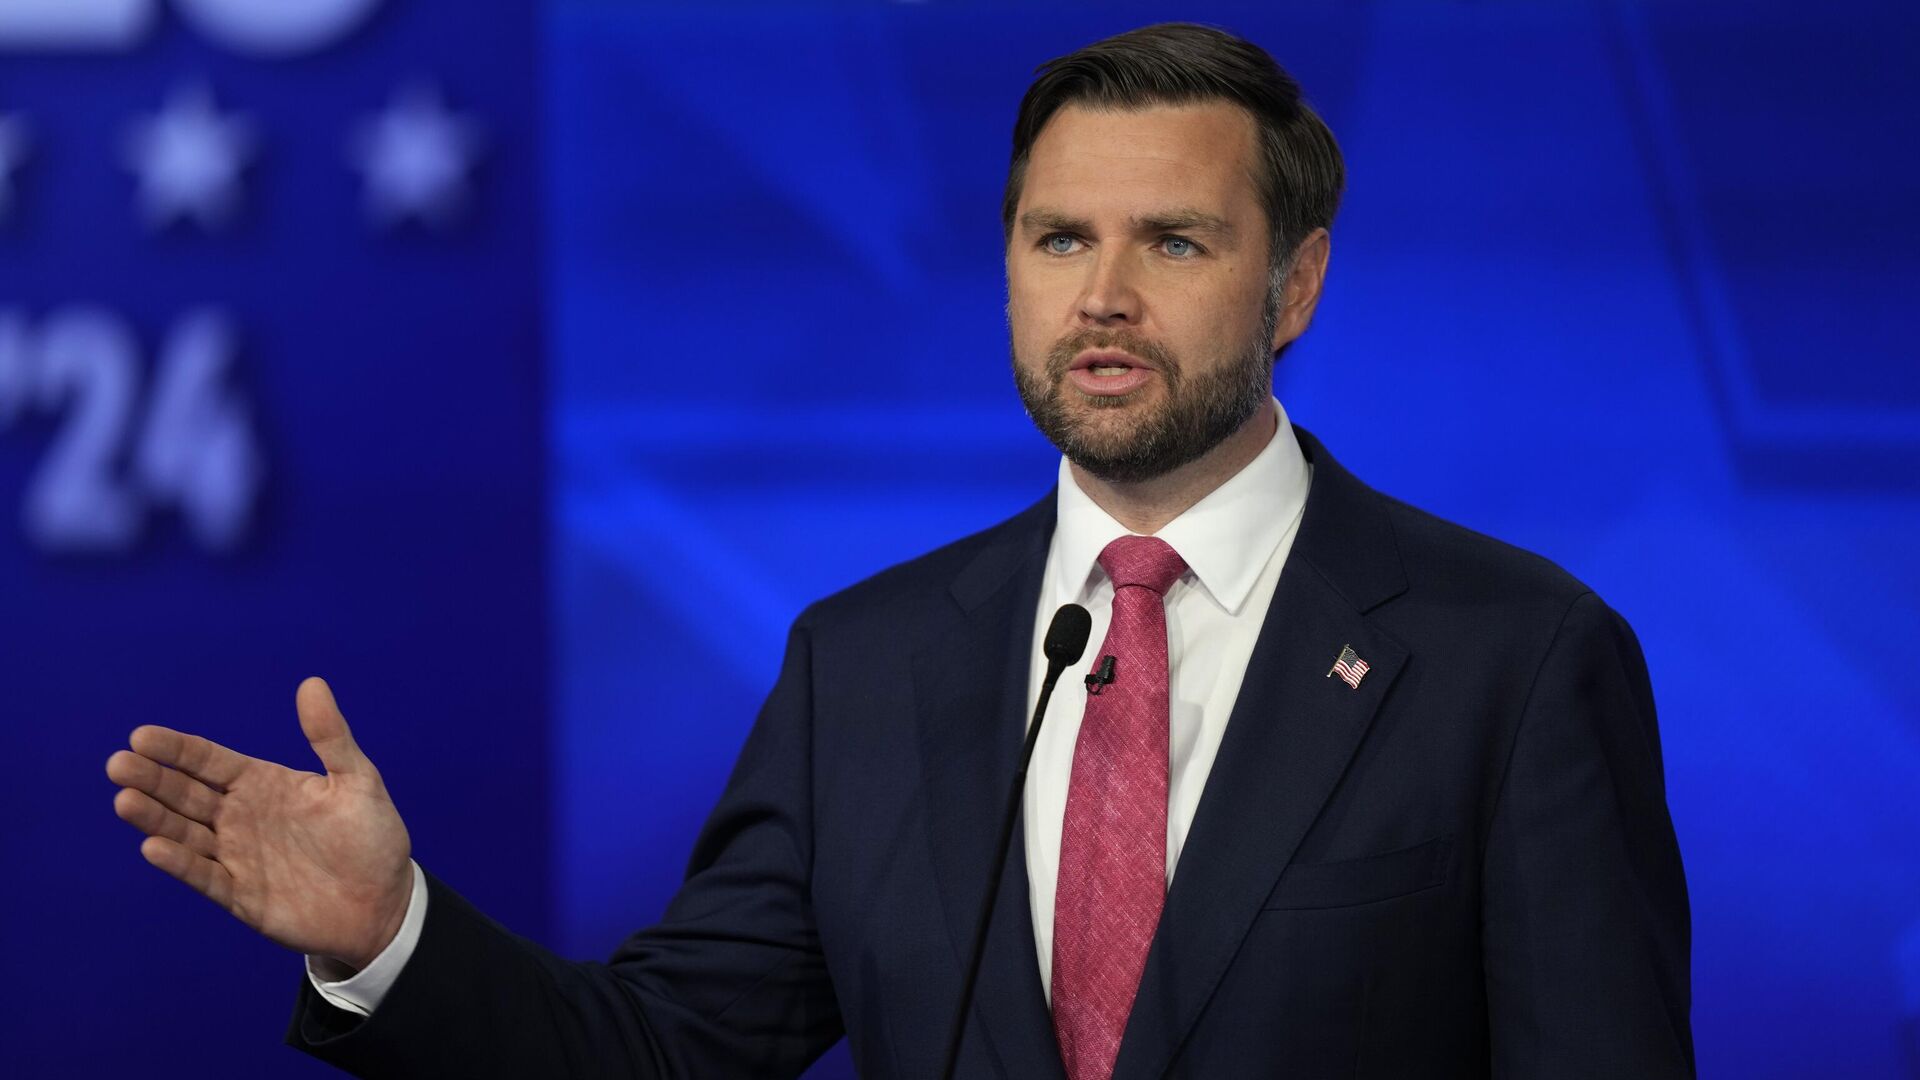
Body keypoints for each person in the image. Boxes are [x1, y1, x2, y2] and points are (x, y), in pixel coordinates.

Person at [105, 22, 1694, 1079]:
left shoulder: (1511, 661)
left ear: (1297, 285)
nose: (1104, 296)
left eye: (1176, 241)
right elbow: (661, 1053)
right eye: (1060, 239)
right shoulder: (864, 668)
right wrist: (393, 939)